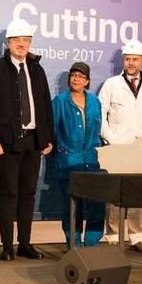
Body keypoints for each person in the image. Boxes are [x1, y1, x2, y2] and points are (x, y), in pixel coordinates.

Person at [0, 18, 54, 261]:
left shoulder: (37, 70)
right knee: (9, 193)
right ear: (8, 43)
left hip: (33, 141)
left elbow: (45, 105)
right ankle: (7, 246)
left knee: (28, 193)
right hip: (7, 143)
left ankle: (25, 244)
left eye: (26, 40)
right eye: (17, 40)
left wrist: (48, 138)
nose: (22, 44)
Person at [97, 39, 142, 252]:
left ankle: (137, 236)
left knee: (137, 193)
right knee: (114, 194)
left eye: (135, 59)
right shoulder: (111, 84)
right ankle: (113, 235)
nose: (131, 63)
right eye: (127, 59)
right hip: (117, 147)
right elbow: (100, 115)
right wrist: (111, 139)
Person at [51, 61, 104, 247]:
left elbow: (99, 129)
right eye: (73, 75)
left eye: (81, 76)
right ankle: (74, 245)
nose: (76, 79)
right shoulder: (59, 102)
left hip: (92, 161)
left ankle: (92, 243)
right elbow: (52, 131)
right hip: (68, 162)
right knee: (72, 207)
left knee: (97, 205)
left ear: (87, 81)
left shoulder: (95, 102)